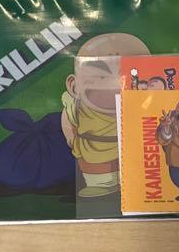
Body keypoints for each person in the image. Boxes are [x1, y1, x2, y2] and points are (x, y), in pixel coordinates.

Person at [61, 33, 149, 199]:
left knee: (138, 174)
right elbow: (69, 119)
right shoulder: (76, 108)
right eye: (101, 75)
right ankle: (101, 185)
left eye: (128, 75)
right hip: (92, 151)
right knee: (99, 176)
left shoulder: (148, 107)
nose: (114, 83)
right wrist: (72, 139)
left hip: (137, 153)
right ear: (74, 86)